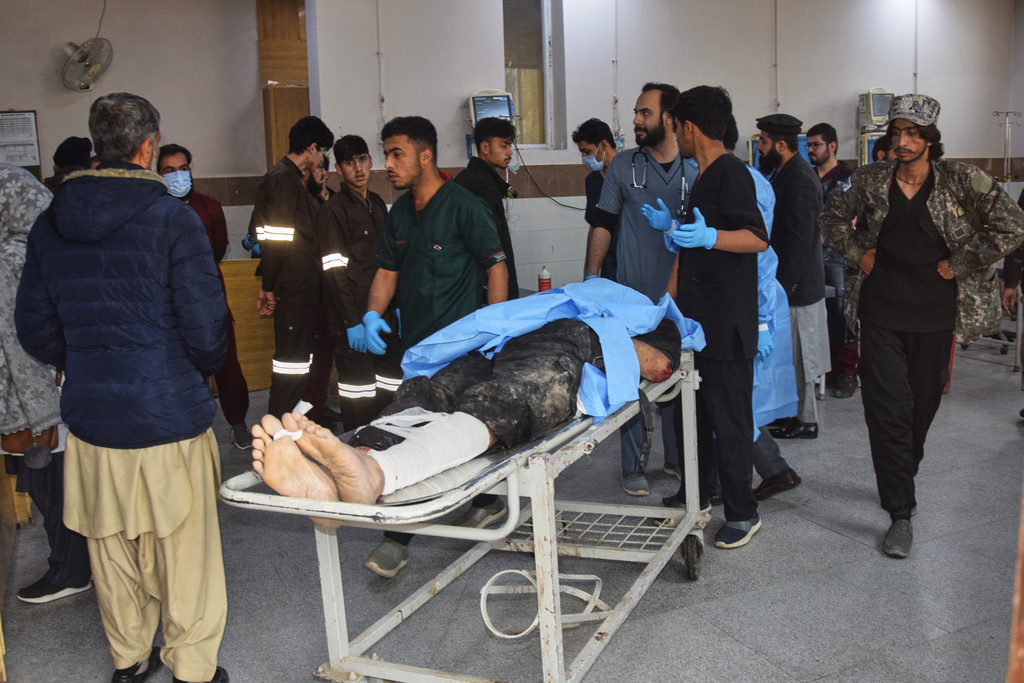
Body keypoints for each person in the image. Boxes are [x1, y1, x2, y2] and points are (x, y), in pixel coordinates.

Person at [15, 93, 229, 683]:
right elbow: (207, 331)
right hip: (168, 416)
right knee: (184, 552)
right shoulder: (173, 220)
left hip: (92, 418)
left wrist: (86, 360)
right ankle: (191, 668)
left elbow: (33, 327)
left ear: (98, 145)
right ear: (148, 146)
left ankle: (129, 659)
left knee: (110, 548)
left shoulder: (51, 223)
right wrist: (184, 368)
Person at [250, 280, 694, 517]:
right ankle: (349, 466)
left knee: (499, 402)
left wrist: (607, 322)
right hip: (501, 344)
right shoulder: (579, 291)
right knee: (427, 390)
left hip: (566, 348)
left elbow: (658, 366)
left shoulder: (659, 321)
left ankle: (378, 471)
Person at [820, 93, 1024, 558]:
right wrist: (858, 252)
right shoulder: (870, 180)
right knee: (886, 409)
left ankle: (901, 471)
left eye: (912, 134)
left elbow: (1013, 225)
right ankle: (900, 511)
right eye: (896, 133)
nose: (902, 142)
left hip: (935, 316)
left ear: (930, 139)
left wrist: (962, 263)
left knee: (921, 407)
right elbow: (830, 218)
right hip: (880, 312)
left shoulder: (961, 180)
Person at [357, 115, 509, 577]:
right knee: (418, 428)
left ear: (425, 156)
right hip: (419, 351)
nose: (387, 164)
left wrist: (495, 328)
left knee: (439, 432)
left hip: (463, 348)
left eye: (396, 154)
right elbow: (387, 271)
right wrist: (372, 314)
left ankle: (397, 538)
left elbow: (496, 267)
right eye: (386, 154)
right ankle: (486, 502)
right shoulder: (400, 213)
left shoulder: (465, 206)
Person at [641, 85, 768, 549]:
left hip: (726, 323)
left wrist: (709, 236)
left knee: (730, 423)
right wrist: (676, 232)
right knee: (694, 416)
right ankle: (696, 493)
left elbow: (756, 237)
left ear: (689, 127)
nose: (676, 137)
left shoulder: (732, 173)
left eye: (676, 128)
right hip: (698, 323)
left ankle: (743, 512)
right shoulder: (702, 176)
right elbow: (696, 246)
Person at [589, 82, 696, 496]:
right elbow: (603, 223)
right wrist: (592, 277)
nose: (636, 120)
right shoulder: (624, 166)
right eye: (635, 112)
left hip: (679, 297)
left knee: (679, 377)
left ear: (669, 117)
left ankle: (676, 459)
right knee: (631, 379)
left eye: (644, 113)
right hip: (632, 295)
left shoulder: (694, 168)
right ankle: (632, 465)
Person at [1, 163, 92, 604]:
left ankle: (70, 569)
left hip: (36, 397)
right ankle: (72, 563)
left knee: (53, 485)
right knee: (55, 482)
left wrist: (34, 408)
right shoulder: (46, 248)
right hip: (45, 392)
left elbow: (20, 342)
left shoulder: (13, 260)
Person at [158, 143, 252, 449]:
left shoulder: (209, 206)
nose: (178, 175)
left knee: (227, 363)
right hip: (172, 301)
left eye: (183, 168)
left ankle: (237, 422)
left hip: (211, 296)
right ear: (159, 175)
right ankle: (188, 429)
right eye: (169, 170)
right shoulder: (156, 210)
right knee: (182, 367)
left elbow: (218, 249)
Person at [315, 134, 403, 431]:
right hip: (353, 322)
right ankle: (358, 447)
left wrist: (397, 306)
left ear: (370, 161)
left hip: (383, 316)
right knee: (359, 395)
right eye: (350, 162)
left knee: (391, 386)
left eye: (362, 159)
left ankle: (390, 443)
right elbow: (333, 272)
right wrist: (351, 322)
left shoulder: (376, 204)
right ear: (339, 169)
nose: (358, 168)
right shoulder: (333, 210)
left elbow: (390, 262)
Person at [253, 115, 335, 418]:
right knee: (291, 367)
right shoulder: (283, 179)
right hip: (293, 289)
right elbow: (278, 240)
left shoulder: (289, 179)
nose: (321, 158)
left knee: (299, 366)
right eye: (322, 151)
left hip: (301, 287)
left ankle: (292, 428)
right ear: (312, 147)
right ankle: (278, 433)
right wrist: (269, 287)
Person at [756, 114, 829, 440]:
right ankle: (791, 414)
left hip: (798, 288)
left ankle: (807, 421)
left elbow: (799, 242)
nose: (760, 147)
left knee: (802, 358)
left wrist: (783, 289)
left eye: (764, 141)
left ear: (781, 145)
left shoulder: (799, 178)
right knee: (790, 358)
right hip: (790, 284)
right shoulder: (785, 172)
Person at [807, 122, 859, 399]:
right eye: (808, 145)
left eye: (816, 145)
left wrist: (831, 235)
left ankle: (847, 373)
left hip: (840, 256)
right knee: (817, 315)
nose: (811, 150)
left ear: (832, 146)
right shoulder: (808, 175)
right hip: (811, 256)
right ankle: (822, 370)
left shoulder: (847, 177)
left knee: (842, 313)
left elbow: (856, 216)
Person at [455, 116, 520, 299]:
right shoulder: (484, 187)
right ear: (484, 147)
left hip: (466, 285)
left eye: (510, 146)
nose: (510, 152)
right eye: (503, 146)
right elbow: (492, 248)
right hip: (485, 288)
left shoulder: (464, 178)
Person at [572, 118, 619, 282]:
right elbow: (594, 227)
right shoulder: (593, 181)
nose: (584, 158)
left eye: (587, 151)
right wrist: (589, 270)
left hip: (631, 260)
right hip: (608, 261)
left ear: (603, 145)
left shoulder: (628, 173)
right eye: (581, 152)